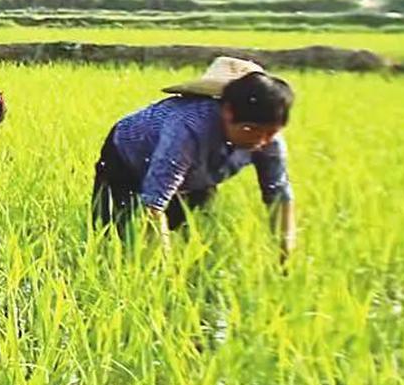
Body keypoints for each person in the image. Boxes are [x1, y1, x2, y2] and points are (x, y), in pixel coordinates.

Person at [90, 56, 296, 262]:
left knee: (193, 233)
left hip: (196, 173)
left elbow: (278, 196)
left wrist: (285, 257)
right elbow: (154, 204)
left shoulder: (269, 140)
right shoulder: (187, 128)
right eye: (251, 129)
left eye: (271, 132)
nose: (261, 141)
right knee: (116, 236)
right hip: (127, 158)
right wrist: (163, 276)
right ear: (227, 112)